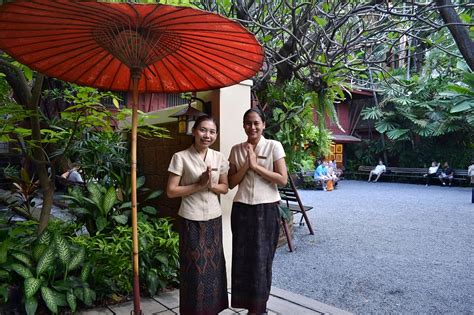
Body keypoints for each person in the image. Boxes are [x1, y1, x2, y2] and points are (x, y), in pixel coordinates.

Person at [166, 115, 229, 315]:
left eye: (212, 132)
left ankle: (212, 310)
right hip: (190, 219)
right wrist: (197, 185)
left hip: (213, 219)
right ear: (194, 131)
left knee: (214, 267)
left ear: (216, 135)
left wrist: (211, 185)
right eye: (203, 130)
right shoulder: (180, 157)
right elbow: (171, 191)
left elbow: (225, 187)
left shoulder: (219, 157)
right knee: (193, 269)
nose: (207, 135)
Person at [228, 108, 288, 314]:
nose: (252, 127)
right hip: (242, 208)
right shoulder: (236, 149)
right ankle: (246, 305)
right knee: (242, 258)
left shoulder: (274, 146)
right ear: (243, 125)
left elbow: (282, 179)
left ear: (263, 125)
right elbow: (230, 182)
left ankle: (259, 307)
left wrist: (256, 166)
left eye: (256, 123)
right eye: (248, 123)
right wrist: (246, 165)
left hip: (267, 208)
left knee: (262, 259)